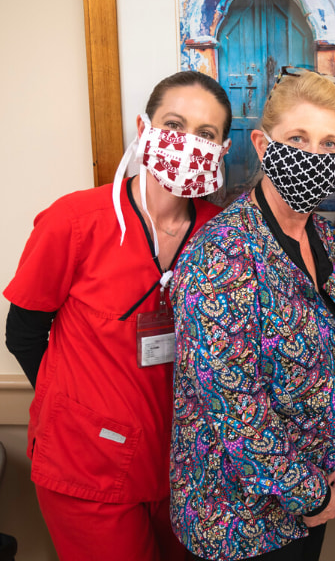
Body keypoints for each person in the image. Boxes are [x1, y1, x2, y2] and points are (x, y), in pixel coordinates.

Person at [3, 70, 232, 560]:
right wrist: (75, 409)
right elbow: (23, 332)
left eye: (206, 134)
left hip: (187, 468)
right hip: (86, 464)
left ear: (223, 149)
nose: (188, 142)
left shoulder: (222, 235)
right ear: (143, 127)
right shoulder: (75, 221)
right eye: (174, 124)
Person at [169, 67, 335, 561]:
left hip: (313, 500)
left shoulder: (325, 239)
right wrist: (312, 493)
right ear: (261, 143)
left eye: (328, 144)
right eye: (296, 138)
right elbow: (235, 407)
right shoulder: (223, 252)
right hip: (238, 520)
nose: (311, 156)